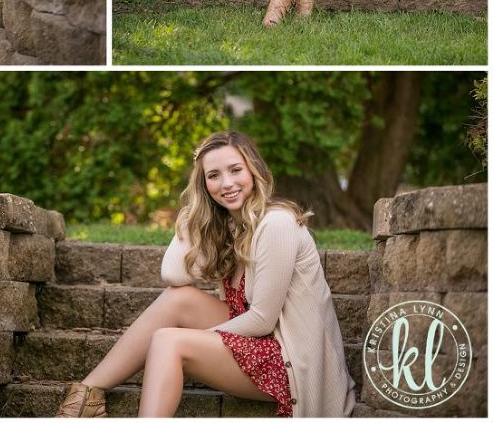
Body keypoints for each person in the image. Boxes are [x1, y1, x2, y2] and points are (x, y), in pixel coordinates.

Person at [55, 131, 355, 418]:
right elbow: (173, 275)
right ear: (204, 185)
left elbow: (263, 319)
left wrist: (196, 338)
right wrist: (193, 213)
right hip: (259, 345)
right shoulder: (232, 227)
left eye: (236, 170)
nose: (227, 183)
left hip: (290, 364)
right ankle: (87, 397)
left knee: (168, 341)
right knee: (179, 299)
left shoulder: (276, 225)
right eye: (213, 176)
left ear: (254, 171)